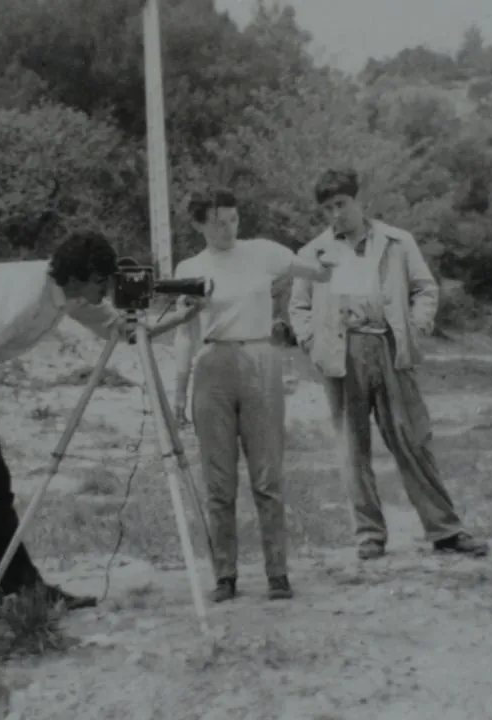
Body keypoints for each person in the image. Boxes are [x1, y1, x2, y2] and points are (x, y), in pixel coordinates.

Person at [0, 231, 196, 609]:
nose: (106, 292)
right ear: (80, 275)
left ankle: (22, 589)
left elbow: (121, 331)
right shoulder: (26, 295)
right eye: (101, 283)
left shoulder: (68, 293)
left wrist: (181, 318)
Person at [289, 168, 489, 561]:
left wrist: (414, 328)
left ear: (358, 200)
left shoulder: (398, 242)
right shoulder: (313, 253)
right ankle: (369, 535)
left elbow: (425, 288)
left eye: (341, 204)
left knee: (412, 439)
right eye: (327, 208)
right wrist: (313, 343)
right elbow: (299, 306)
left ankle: (445, 530)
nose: (336, 214)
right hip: (342, 354)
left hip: (389, 346)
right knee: (352, 447)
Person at [170, 188, 337, 603]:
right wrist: (178, 390)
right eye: (216, 222)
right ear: (198, 225)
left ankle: (277, 572)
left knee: (267, 475)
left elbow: (319, 271)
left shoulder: (263, 251)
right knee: (218, 480)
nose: (227, 229)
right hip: (212, 366)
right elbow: (185, 332)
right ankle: (224, 575)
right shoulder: (189, 266)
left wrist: (334, 245)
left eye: (232, 219)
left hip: (261, 359)